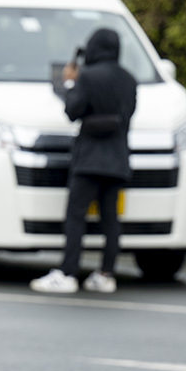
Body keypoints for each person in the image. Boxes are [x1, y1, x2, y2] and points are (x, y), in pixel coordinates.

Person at [30, 27, 138, 295]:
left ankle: (68, 273)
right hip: (118, 160)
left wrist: (69, 84)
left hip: (89, 159)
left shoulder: (87, 76)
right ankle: (106, 274)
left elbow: (72, 110)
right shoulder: (129, 79)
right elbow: (129, 114)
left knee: (76, 216)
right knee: (110, 219)